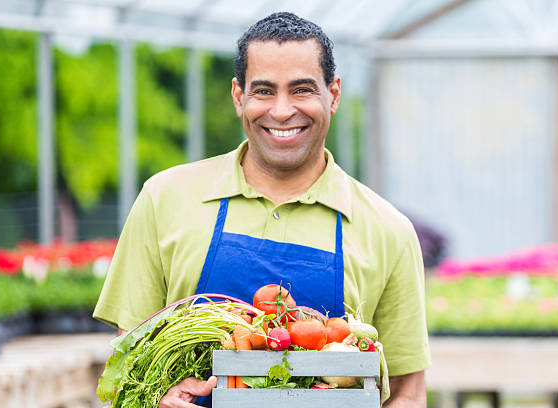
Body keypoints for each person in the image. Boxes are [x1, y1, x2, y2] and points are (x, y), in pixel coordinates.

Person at [94, 11, 431, 408]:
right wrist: (155, 401)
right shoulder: (165, 199)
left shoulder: (387, 229)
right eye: (264, 91)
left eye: (302, 89)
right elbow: (126, 368)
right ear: (239, 97)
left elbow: (408, 394)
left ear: (334, 94)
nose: (283, 110)